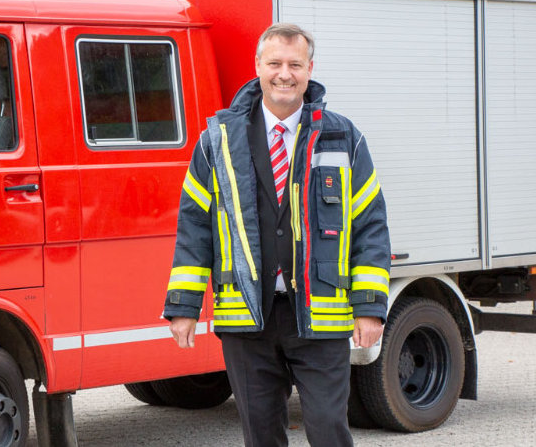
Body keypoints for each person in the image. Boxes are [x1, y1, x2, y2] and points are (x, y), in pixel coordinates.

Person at [164, 23, 390, 447]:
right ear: (258, 67)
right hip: (247, 317)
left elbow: (370, 226)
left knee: (328, 429)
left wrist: (370, 308)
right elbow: (195, 226)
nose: (284, 74)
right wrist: (184, 305)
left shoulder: (342, 137)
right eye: (275, 64)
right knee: (261, 435)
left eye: (294, 64)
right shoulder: (218, 139)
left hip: (322, 316)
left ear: (310, 69)